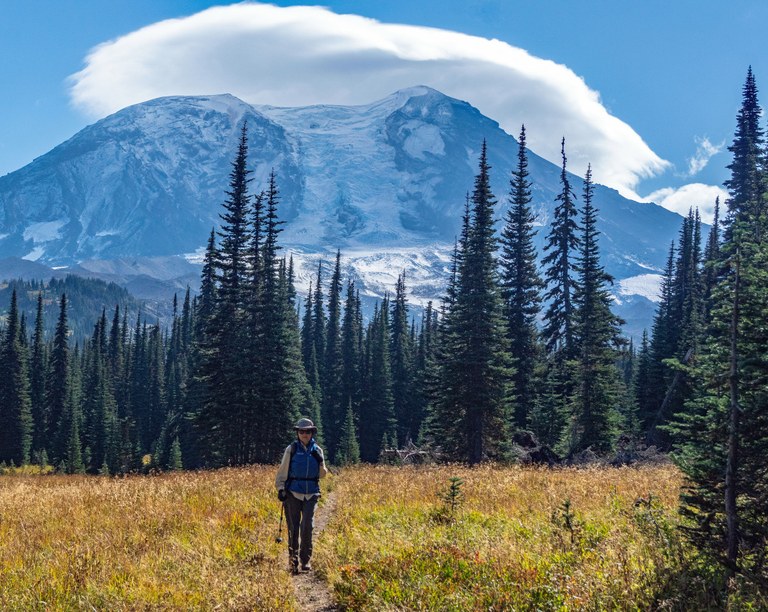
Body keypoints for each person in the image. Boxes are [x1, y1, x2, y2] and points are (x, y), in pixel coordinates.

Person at [275, 417, 328, 573]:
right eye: (302, 431)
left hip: (311, 493)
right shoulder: (291, 450)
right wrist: (280, 488)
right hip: (293, 493)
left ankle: (305, 560)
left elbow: (323, 475)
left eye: (308, 431)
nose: (304, 434)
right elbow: (282, 470)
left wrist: (320, 462)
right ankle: (293, 561)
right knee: (293, 528)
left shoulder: (318, 451)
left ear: (312, 433)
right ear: (297, 433)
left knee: (307, 527)